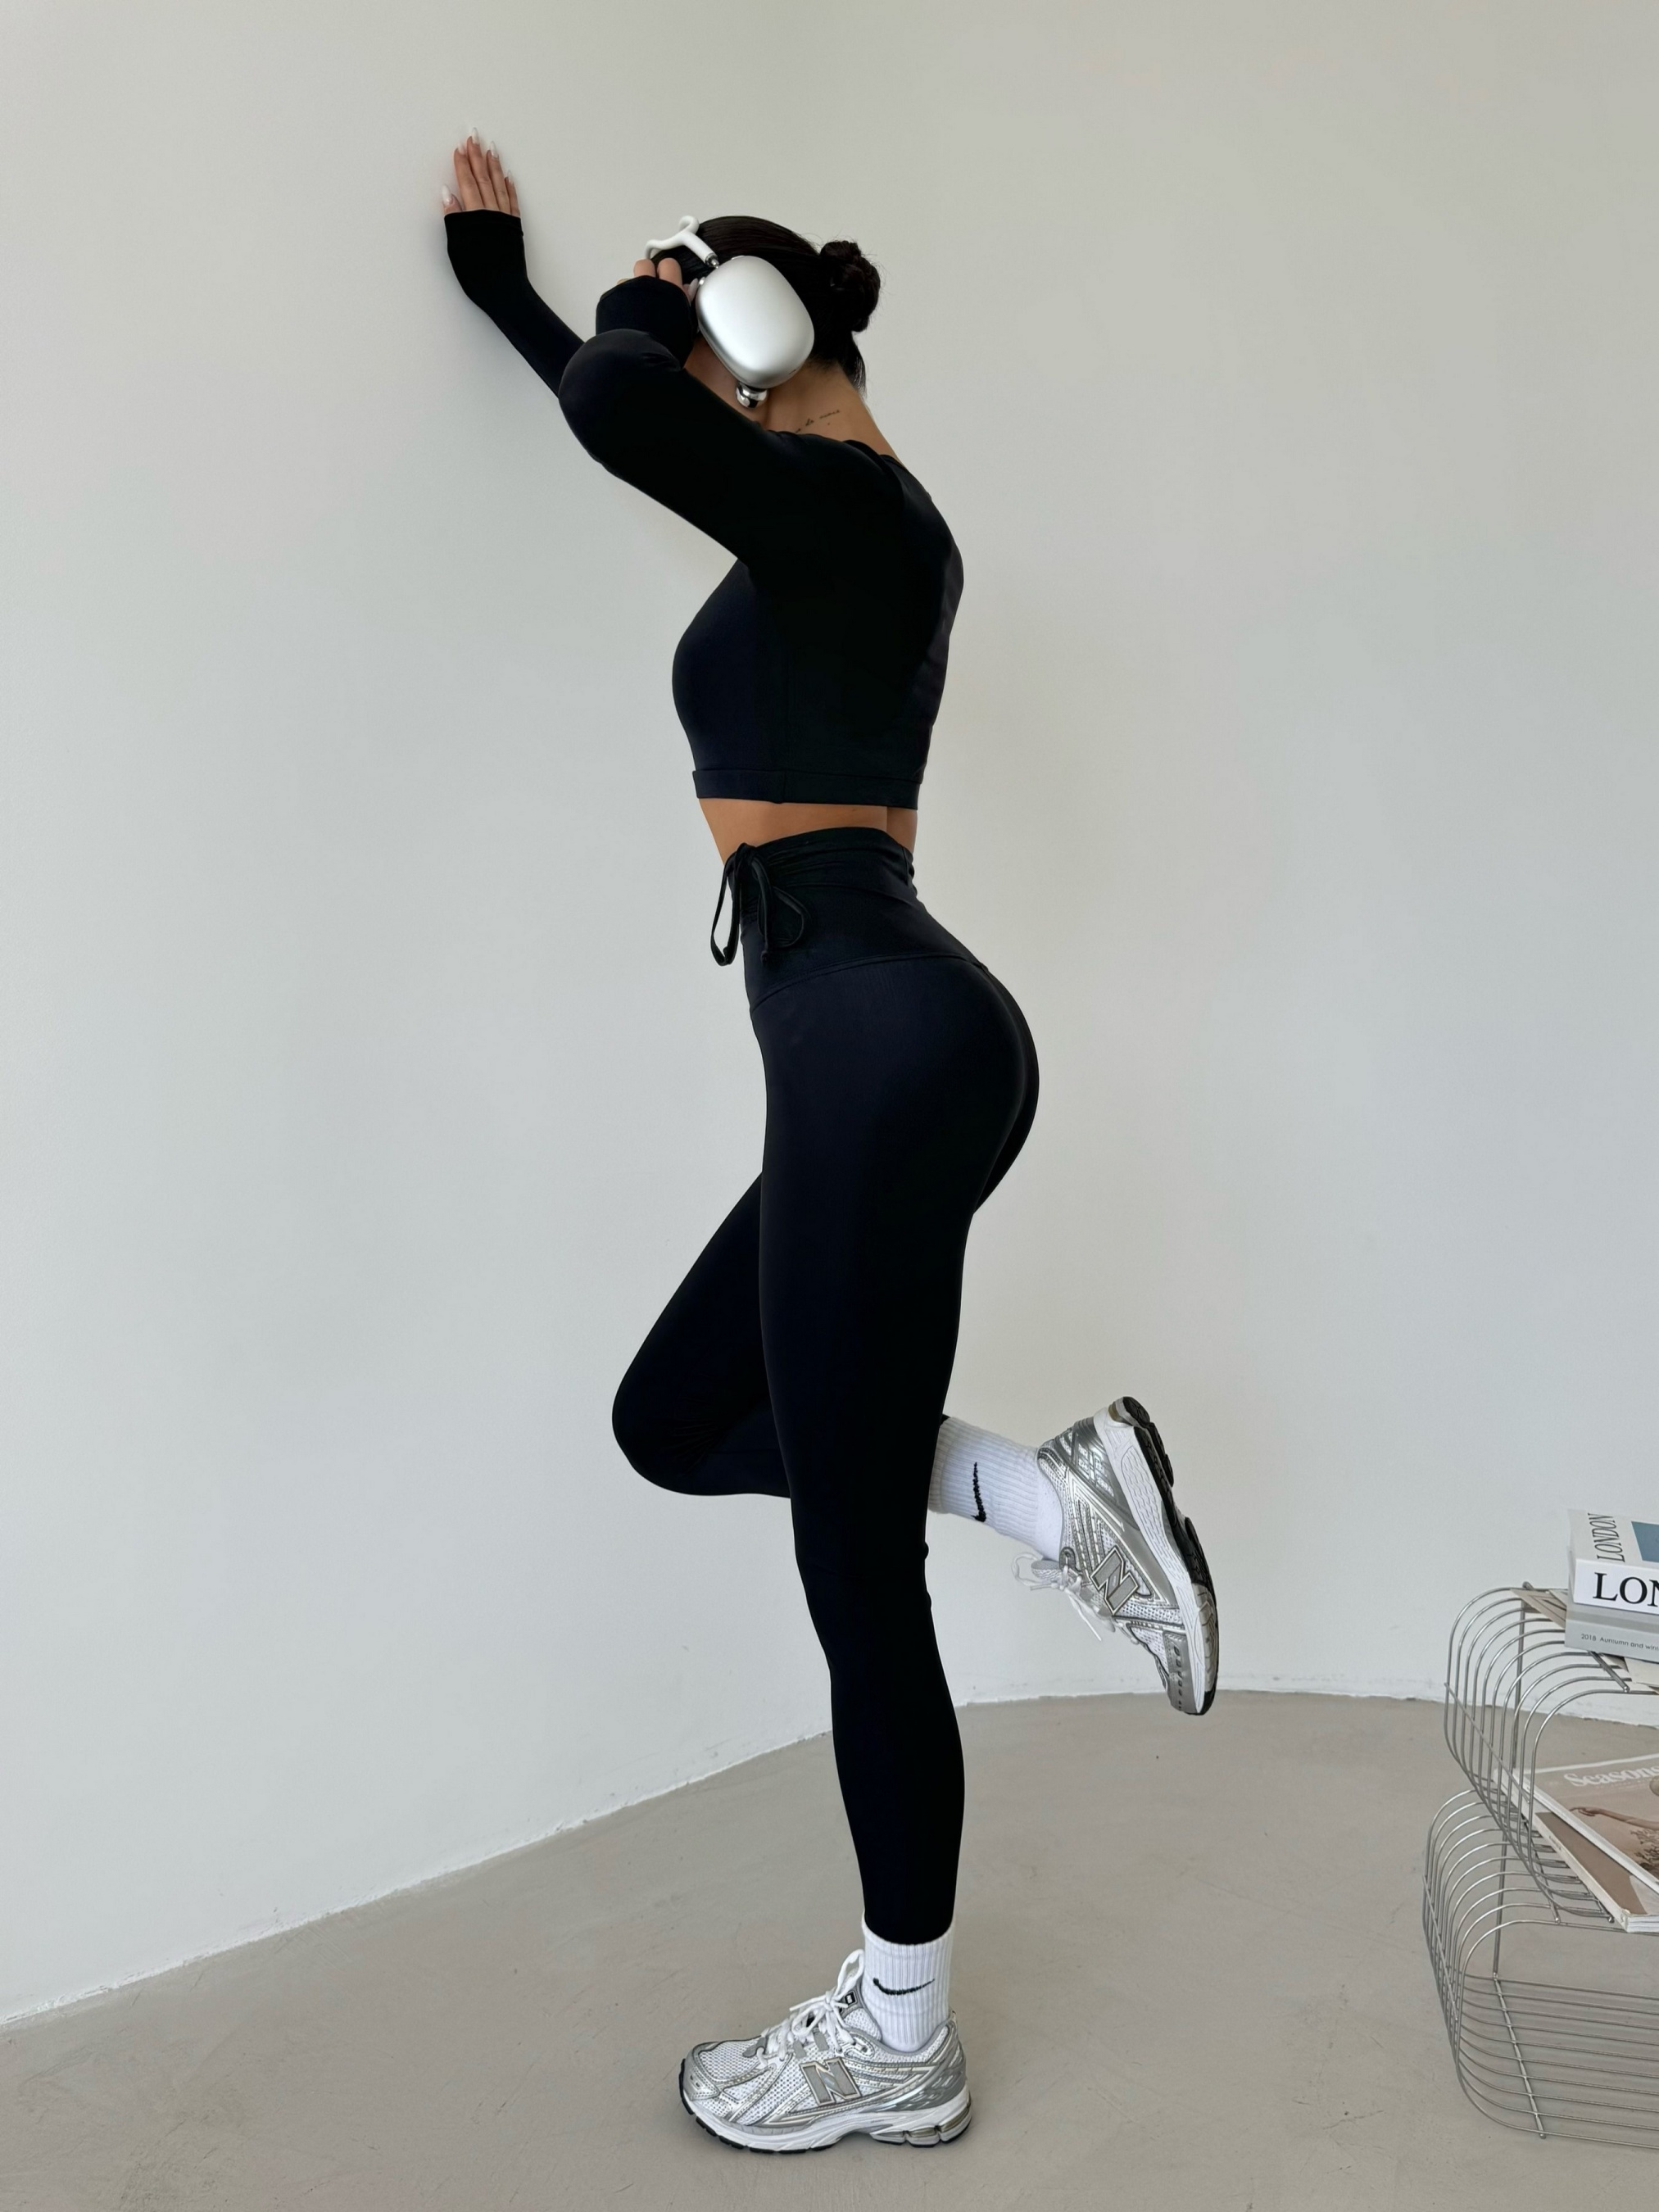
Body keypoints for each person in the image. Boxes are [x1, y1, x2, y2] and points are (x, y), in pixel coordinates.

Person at [441, 134, 1219, 2155]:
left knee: (851, 1571)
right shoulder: (817, 522)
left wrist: (629, 303)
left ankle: (899, 2033)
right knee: (676, 1415)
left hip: (879, 1040)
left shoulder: (865, 514)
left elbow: (625, 405)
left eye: (696, 324)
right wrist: (513, 300)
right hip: (874, 1042)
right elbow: (619, 404)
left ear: (748, 330)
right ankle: (1045, 1498)